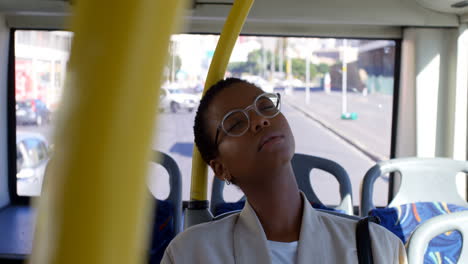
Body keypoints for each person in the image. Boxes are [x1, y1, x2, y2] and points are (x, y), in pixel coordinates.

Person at [161, 78, 407, 264]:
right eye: (236, 123)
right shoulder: (190, 253)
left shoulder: (377, 246)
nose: (260, 120)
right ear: (221, 168)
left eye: (266, 107)